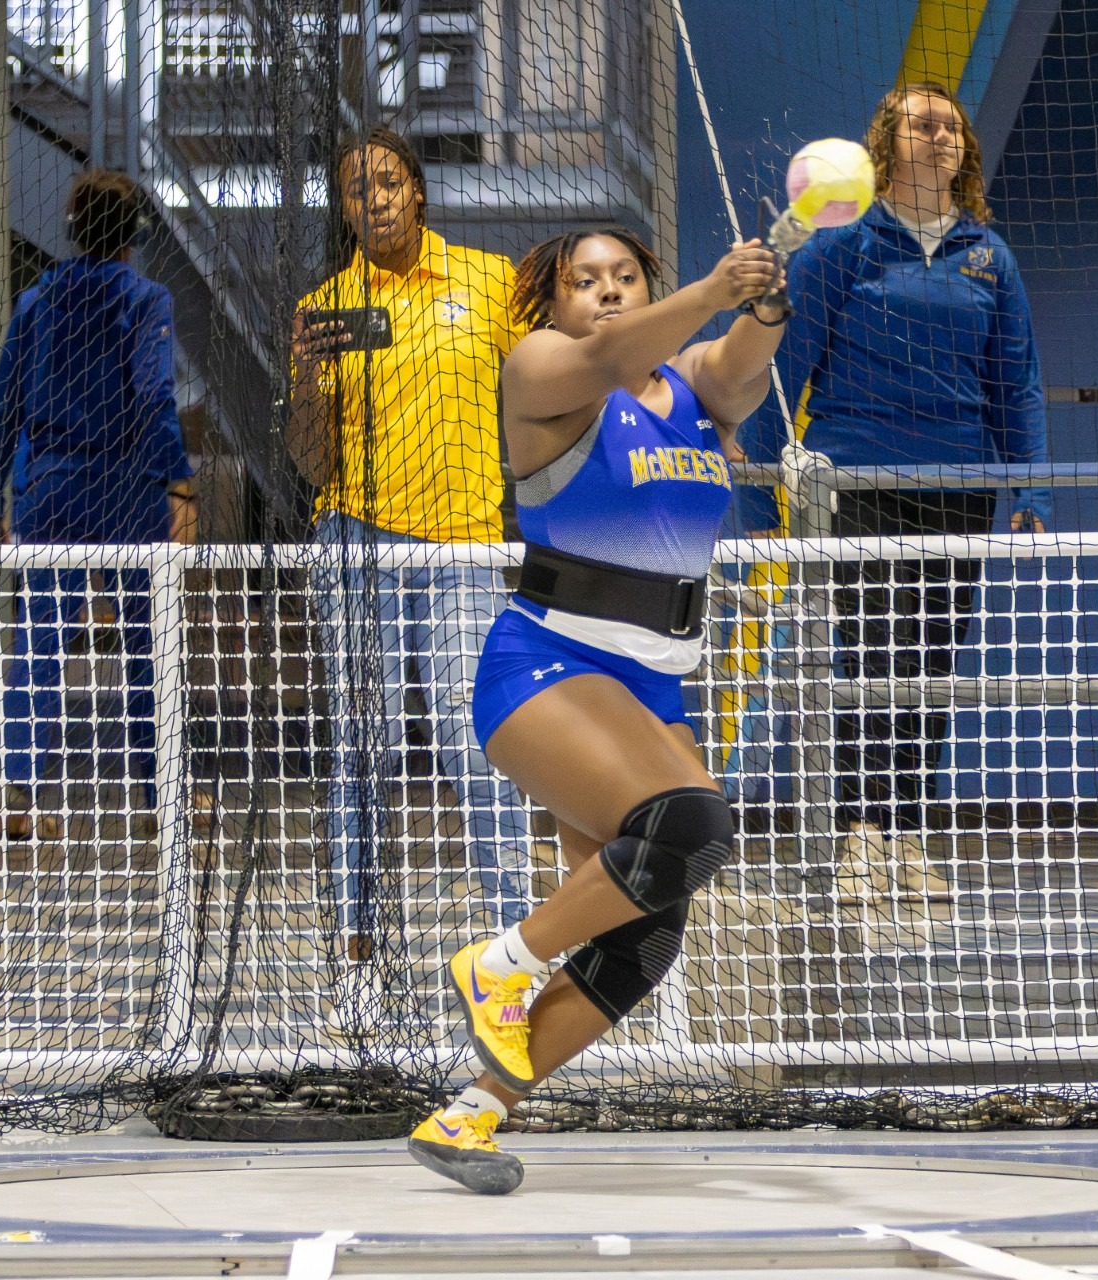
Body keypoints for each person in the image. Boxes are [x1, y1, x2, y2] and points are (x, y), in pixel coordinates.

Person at [403, 226, 787, 1194]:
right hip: (551, 663)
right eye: (587, 281)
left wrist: (767, 302)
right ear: (554, 302)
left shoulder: (690, 383)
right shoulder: (543, 367)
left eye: (624, 277)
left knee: (645, 936)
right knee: (692, 822)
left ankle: (471, 1113)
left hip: (654, 684)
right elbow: (615, 353)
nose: (608, 294)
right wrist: (711, 283)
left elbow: (740, 370)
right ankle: (501, 961)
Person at [768, 81, 1051, 884]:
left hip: (959, 486)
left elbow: (1018, 386)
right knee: (868, 658)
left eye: (951, 127)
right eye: (922, 125)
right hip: (853, 486)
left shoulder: (989, 256)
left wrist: (1030, 492)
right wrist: (758, 498)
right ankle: (857, 834)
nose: (942, 138)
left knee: (930, 663)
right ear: (886, 143)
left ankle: (905, 835)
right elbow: (783, 376)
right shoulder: (839, 245)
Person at [288, 127, 532, 965]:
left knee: (481, 740)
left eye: (389, 182)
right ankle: (354, 945)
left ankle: (519, 934)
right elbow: (310, 460)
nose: (377, 199)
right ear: (344, 209)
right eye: (358, 190)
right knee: (367, 743)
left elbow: (551, 380)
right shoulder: (326, 309)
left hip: (464, 546)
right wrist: (301, 380)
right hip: (357, 543)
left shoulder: (489, 281)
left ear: (417, 190)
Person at [0, 170, 195, 836]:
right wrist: (179, 483)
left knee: (39, 637)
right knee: (147, 643)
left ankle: (19, 795)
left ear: (72, 228)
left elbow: (2, 408)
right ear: (135, 235)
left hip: (49, 493)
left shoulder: (36, 300)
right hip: (128, 493)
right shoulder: (145, 299)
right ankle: (162, 796)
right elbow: (156, 398)